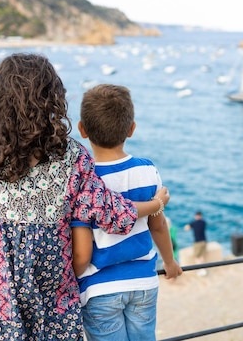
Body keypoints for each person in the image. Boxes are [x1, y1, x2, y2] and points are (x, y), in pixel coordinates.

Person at [0, 53, 170, 341]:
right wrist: (155, 204)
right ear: (51, 100)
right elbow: (111, 211)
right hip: (56, 293)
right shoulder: (72, 156)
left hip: (3, 293)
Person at [74, 83, 182, 341]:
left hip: (99, 288)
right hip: (144, 281)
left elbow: (82, 250)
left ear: (82, 129)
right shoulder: (147, 170)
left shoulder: (83, 179)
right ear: (131, 129)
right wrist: (169, 262)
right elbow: (158, 225)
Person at [184, 211, 208, 276]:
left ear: (196, 216)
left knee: (197, 257)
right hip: (204, 241)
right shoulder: (203, 222)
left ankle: (199, 270)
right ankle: (203, 269)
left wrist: (186, 227)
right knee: (202, 256)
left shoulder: (194, 223)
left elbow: (187, 228)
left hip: (197, 242)